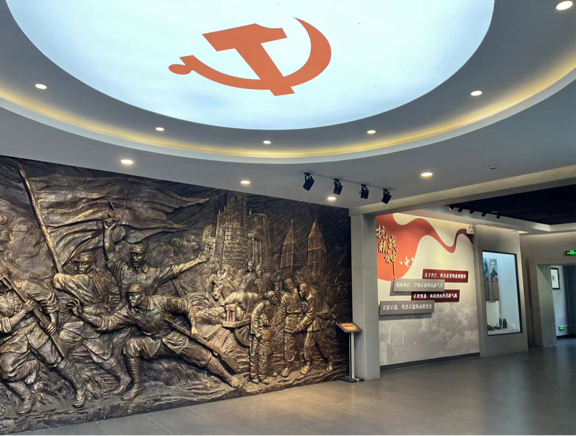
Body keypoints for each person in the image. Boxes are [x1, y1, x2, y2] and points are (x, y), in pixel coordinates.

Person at [71, 283, 240, 401]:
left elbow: (185, 306)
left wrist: (194, 327)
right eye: (129, 296)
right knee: (131, 346)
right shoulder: (128, 311)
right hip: (154, 342)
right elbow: (107, 323)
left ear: (143, 295)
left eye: (134, 295)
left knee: (203, 357)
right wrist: (82, 314)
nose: (131, 299)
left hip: (174, 338)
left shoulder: (161, 301)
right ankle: (138, 386)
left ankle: (227, 377)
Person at [0, 266, 87, 413]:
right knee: (6, 370)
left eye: (3, 280)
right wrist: (24, 311)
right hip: (15, 337)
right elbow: (3, 327)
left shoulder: (25, 286)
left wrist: (53, 321)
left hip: (36, 329)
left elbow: (48, 297)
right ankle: (27, 397)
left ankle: (80, 387)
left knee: (58, 359)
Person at [53, 252, 130, 395]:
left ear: (92, 265)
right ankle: (77, 385)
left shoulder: (83, 279)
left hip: (92, 318)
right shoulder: (105, 277)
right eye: (78, 264)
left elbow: (58, 280)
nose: (80, 267)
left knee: (103, 356)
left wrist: (60, 275)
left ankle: (124, 378)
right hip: (83, 319)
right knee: (58, 346)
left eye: (84, 264)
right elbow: (115, 296)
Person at [103, 219, 207, 300]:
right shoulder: (122, 270)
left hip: (146, 313)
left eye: (138, 255)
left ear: (145, 256)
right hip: (124, 313)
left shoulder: (154, 273)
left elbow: (177, 269)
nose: (135, 258)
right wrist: (108, 231)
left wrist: (197, 261)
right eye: (133, 255)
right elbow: (110, 254)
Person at [294, 283, 335, 375]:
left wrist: (300, 326)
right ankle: (308, 364)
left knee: (322, 345)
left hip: (317, 325)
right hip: (311, 325)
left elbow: (310, 314)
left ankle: (330, 360)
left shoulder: (311, 298)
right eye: (299, 291)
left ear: (306, 290)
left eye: (301, 291)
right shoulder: (307, 297)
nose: (300, 293)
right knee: (307, 345)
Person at [249, 290, 279, 384]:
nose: (275, 298)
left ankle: (267, 372)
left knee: (268, 353)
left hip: (268, 333)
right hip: (260, 333)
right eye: (273, 297)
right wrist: (257, 332)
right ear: (270, 298)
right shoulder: (262, 305)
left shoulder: (273, 306)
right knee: (257, 354)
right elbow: (254, 316)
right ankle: (256, 376)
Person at [276, 278, 304, 377]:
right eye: (287, 284)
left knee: (301, 343)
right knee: (288, 345)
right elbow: (282, 311)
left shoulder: (298, 292)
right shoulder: (285, 297)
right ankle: (288, 366)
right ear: (285, 287)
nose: (289, 286)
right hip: (289, 320)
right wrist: (276, 323)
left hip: (300, 319)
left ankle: (303, 363)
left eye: (290, 283)